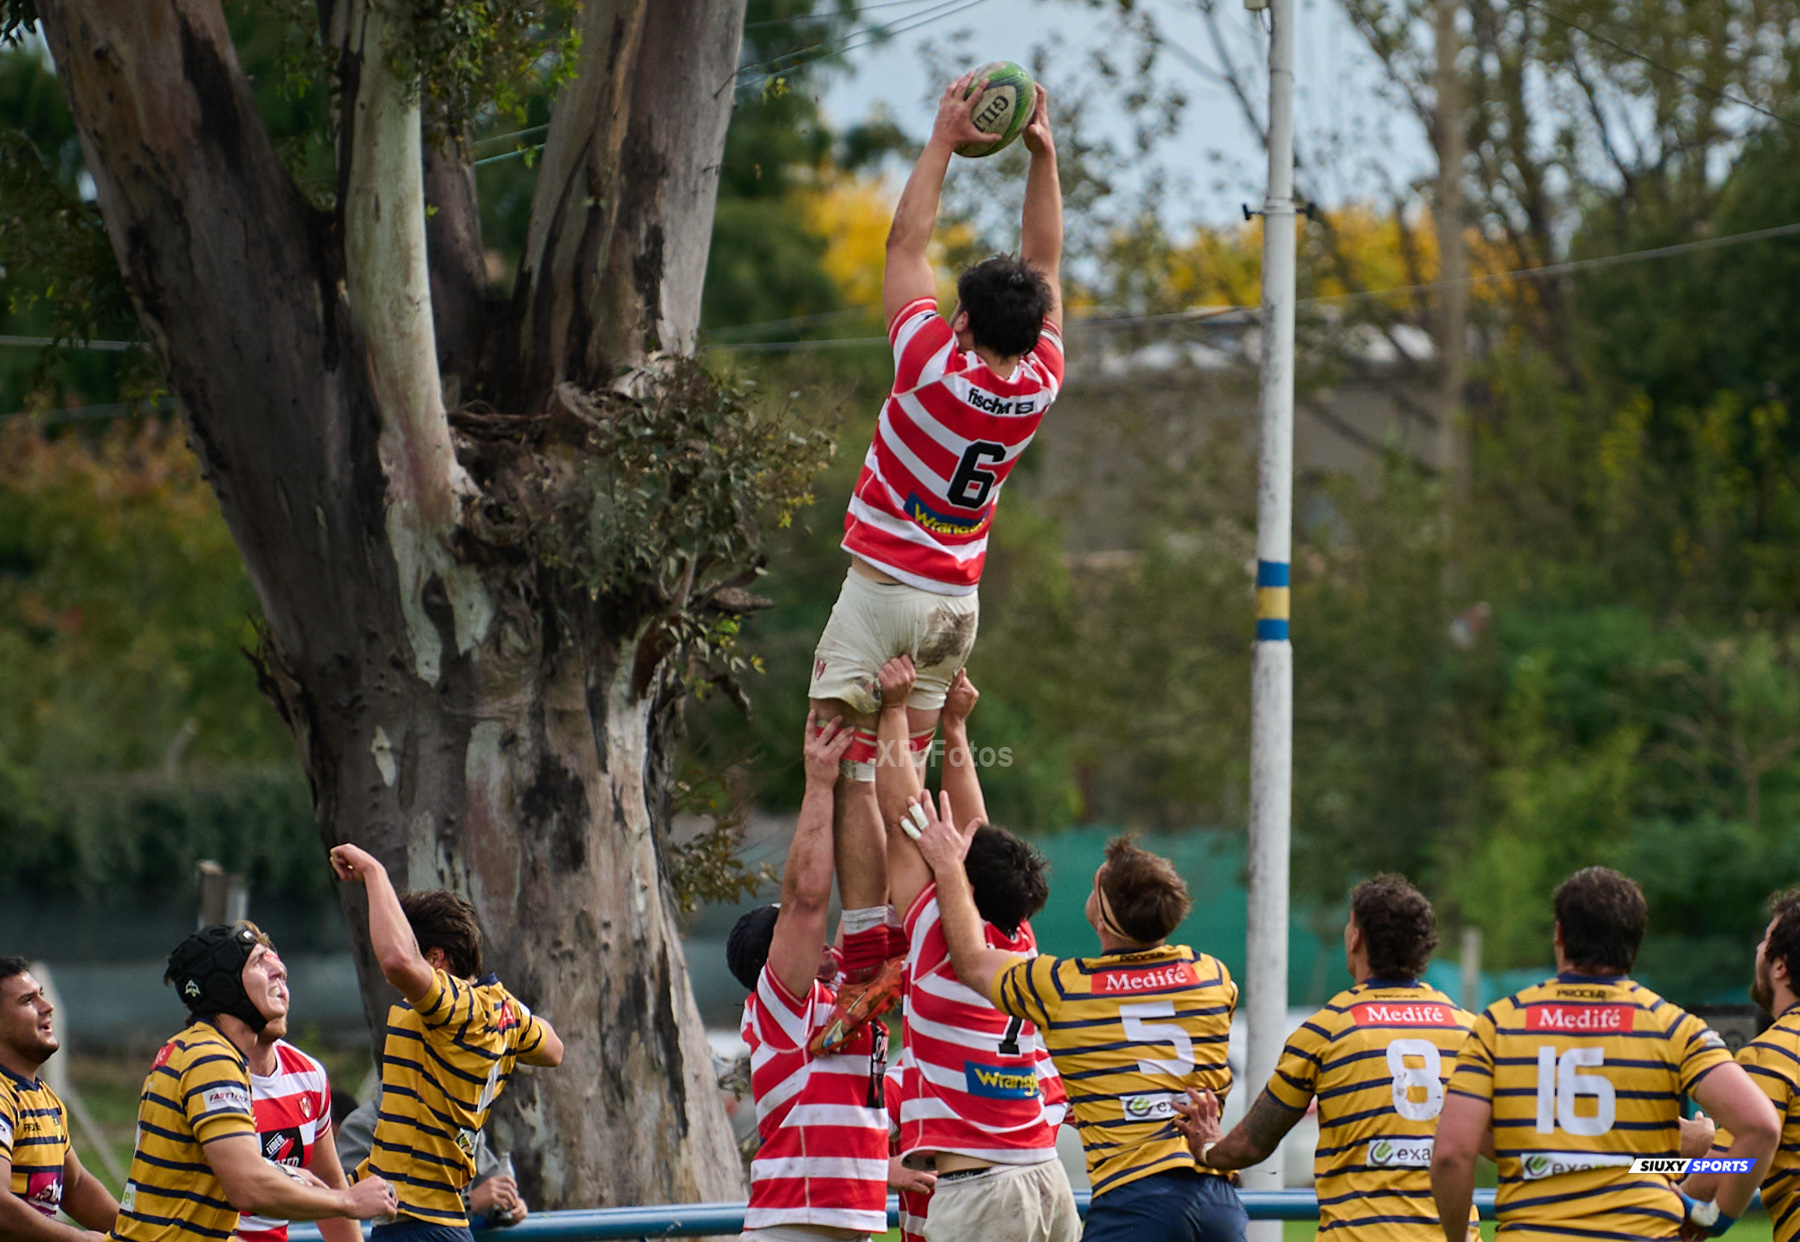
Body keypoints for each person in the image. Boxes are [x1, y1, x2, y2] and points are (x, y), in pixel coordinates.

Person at [805, 69, 1064, 1048]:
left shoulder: (927, 363)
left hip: (882, 591)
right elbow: (1044, 259)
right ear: (1032, 330)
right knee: (904, 770)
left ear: (960, 321)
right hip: (956, 601)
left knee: (852, 769)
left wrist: (945, 141)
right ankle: (916, 950)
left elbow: (903, 242)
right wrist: (1043, 156)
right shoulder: (1039, 380)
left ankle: (872, 952)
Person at [912, 800, 1246, 1242]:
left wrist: (949, 867)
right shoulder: (1211, 974)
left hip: (1137, 1201)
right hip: (1216, 1198)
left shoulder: (1067, 986)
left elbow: (972, 961)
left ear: (1103, 917)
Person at [1431, 866, 1779, 1242]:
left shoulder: (1497, 1025)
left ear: (1560, 935)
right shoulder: (1673, 1026)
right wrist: (1713, 1217)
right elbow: (1760, 1127)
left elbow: (1452, 1154)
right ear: (1635, 941)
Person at [874, 656, 1077, 1242]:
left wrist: (893, 711)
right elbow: (979, 833)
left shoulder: (942, 939)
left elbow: (901, 815)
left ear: (958, 883)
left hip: (983, 1193)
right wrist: (956, 729)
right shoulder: (1018, 943)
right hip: (1045, 1177)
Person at [1173, 877, 1477, 1241]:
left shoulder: (1326, 1030)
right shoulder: (1468, 1029)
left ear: (1356, 938)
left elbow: (1252, 1145)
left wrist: (1208, 1148)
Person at [327, 847, 563, 1242]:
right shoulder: (498, 1010)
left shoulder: (455, 1008)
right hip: (439, 1224)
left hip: (419, 1227)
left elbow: (397, 962)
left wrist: (373, 872)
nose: (392, 981)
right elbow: (554, 1049)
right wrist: (512, 1009)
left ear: (437, 960)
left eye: (410, 945)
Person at [110, 924, 395, 1242]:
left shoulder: (195, 1050)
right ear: (223, 985)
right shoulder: (210, 1058)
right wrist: (349, 1202)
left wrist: (287, 1175)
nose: (280, 970)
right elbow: (247, 1186)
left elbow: (309, 1177)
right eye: (260, 962)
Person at [725, 712, 890, 1241]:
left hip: (848, 1226)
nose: (820, 940)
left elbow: (870, 901)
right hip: (792, 1229)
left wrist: (865, 770)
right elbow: (806, 899)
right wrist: (819, 783)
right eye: (794, 937)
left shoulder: (830, 991)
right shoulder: (780, 1008)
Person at [1681, 888, 1800, 1239]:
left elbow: (1725, 1174)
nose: (1757, 950)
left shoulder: (1774, 1052)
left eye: (1765, 941)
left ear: (1781, 966)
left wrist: (1676, 1160)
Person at [234, 964, 359, 1242]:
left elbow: (328, 1182)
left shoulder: (308, 1074)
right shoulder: (204, 1073)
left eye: (282, 977)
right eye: (267, 978)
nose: (280, 989)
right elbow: (245, 1187)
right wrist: (354, 1202)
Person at [0, 958, 116, 1242]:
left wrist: (146, 1235)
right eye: (28, 1000)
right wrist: (80, 1239)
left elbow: (75, 1186)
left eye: (41, 994)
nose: (47, 1006)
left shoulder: (42, 1097)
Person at [333, 1092, 528, 1227]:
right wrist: (469, 1203)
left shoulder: (459, 1122)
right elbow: (360, 1209)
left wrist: (506, 1204)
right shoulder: (364, 1126)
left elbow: (488, 1182)